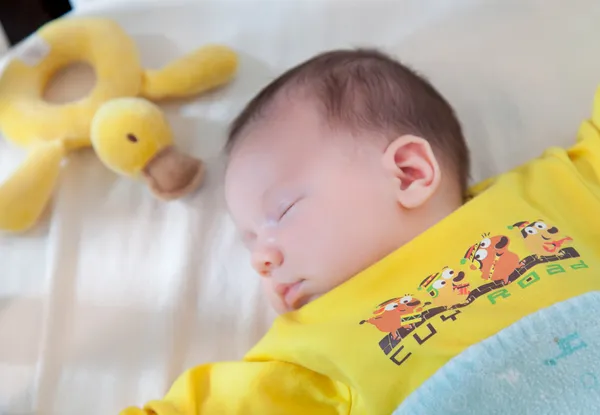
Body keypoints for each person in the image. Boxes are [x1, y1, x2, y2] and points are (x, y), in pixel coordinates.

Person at [121, 49, 600, 415]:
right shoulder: (307, 348)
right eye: (250, 242)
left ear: (409, 174)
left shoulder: (551, 193)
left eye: (282, 211)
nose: (259, 260)